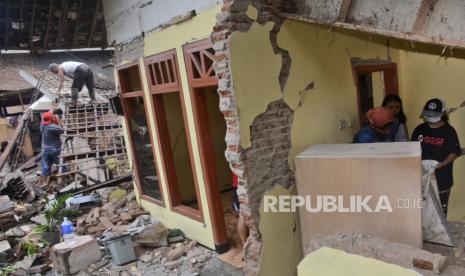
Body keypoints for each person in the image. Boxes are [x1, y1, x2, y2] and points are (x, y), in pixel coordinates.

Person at [411, 98, 461, 216]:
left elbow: (454, 152)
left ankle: (440, 233)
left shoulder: (449, 131)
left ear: (443, 114)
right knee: (422, 211)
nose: (430, 118)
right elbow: (412, 149)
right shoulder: (419, 129)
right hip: (421, 177)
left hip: (442, 178)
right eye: (428, 114)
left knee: (440, 212)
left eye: (434, 115)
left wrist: (442, 164)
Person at [40, 110, 64, 185]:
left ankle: (44, 182)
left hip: (45, 149)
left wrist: (52, 112)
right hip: (55, 149)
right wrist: (62, 122)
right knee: (60, 164)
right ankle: (62, 181)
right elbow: (63, 130)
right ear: (52, 119)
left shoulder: (42, 125)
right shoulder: (53, 127)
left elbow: (45, 118)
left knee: (45, 165)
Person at [232, 173, 249, 247]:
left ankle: (245, 246)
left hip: (237, 186)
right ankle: (246, 247)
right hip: (243, 186)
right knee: (243, 214)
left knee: (242, 214)